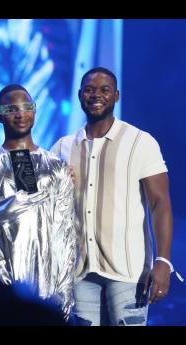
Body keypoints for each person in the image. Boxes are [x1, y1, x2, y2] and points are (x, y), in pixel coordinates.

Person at [51, 67, 182, 326]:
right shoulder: (62, 146)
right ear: (79, 96)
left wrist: (164, 262)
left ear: (116, 96)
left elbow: (160, 203)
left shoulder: (140, 142)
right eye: (89, 90)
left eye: (104, 90)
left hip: (128, 272)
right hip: (79, 271)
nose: (96, 95)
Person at [0, 84, 77, 320]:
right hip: (0, 287)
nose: (20, 114)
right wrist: (8, 206)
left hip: (46, 289)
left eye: (26, 107)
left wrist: (64, 291)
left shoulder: (56, 166)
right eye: (12, 109)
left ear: (34, 112)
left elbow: (66, 234)